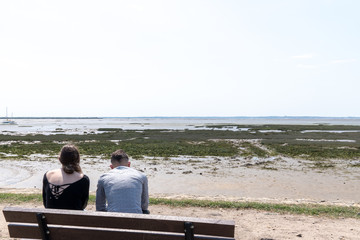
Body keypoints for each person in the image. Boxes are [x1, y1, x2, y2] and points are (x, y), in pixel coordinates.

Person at [96, 149, 149, 214]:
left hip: (113, 219)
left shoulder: (103, 178)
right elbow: (144, 204)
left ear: (111, 167)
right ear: (129, 164)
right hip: (135, 219)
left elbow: (100, 206)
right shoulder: (141, 176)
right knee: (146, 212)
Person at [42, 144, 89, 210]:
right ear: (78, 160)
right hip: (74, 219)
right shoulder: (83, 179)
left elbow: (45, 203)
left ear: (60, 159)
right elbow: (83, 205)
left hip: (51, 219)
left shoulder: (48, 175)